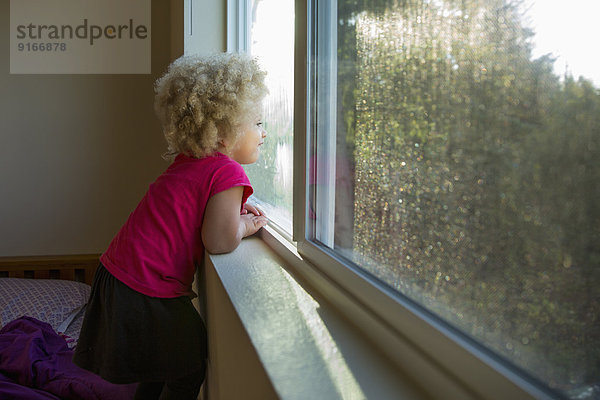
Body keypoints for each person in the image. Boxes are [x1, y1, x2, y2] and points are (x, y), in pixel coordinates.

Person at [73, 52, 269, 400]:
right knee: (188, 365)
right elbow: (219, 240)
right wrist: (245, 226)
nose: (263, 132)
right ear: (223, 133)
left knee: (161, 365)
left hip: (119, 274)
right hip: (143, 286)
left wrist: (232, 216)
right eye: (255, 123)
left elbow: (197, 213)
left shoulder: (192, 162)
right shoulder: (228, 171)